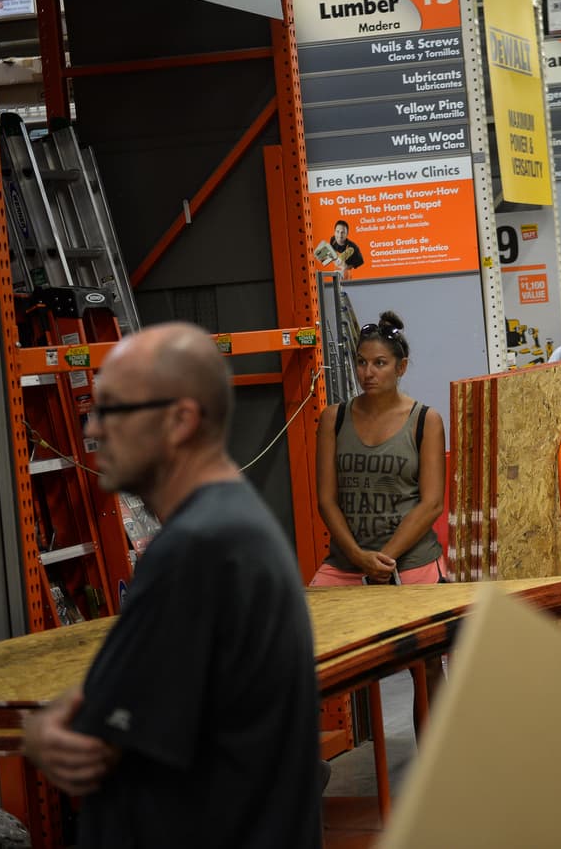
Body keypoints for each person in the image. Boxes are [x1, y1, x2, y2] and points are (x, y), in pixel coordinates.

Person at [22, 323, 321, 848]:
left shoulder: (196, 551)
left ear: (180, 420)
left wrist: (52, 729)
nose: (94, 429)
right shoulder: (232, 528)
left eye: (113, 410)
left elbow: (92, 740)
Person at [313, 311, 446, 730]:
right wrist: (358, 557)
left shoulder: (425, 420)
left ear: (400, 368)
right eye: (361, 362)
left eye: (379, 363)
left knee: (425, 665)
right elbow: (326, 500)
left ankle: (439, 762)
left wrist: (383, 560)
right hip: (347, 563)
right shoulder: (333, 418)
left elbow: (431, 503)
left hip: (410, 563)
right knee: (298, 650)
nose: (367, 373)